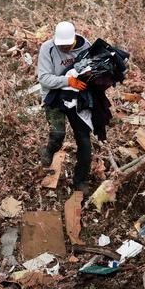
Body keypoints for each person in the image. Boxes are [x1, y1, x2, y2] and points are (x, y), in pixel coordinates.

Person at [37, 21, 92, 193]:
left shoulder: (86, 47)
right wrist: (67, 81)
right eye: (62, 46)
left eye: (68, 46)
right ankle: (48, 150)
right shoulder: (48, 48)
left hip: (77, 98)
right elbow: (44, 78)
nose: (65, 49)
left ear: (74, 38)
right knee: (58, 134)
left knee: (84, 140)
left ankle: (80, 180)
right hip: (54, 96)